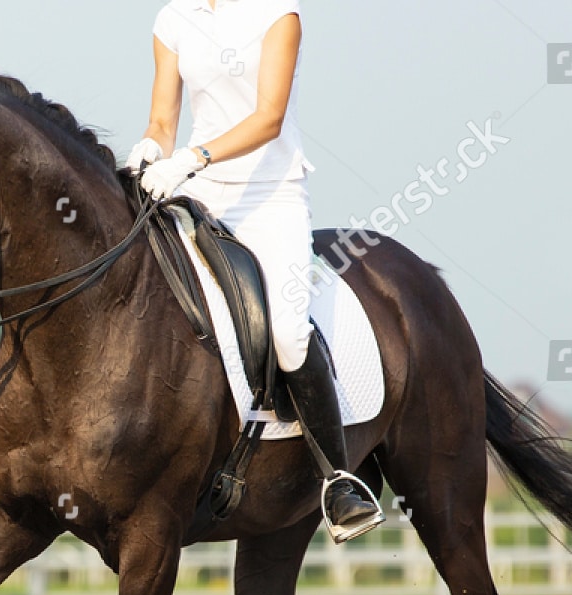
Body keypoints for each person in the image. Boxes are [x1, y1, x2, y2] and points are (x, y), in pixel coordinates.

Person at [130, 0, 385, 542]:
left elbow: (268, 118)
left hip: (271, 196)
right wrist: (151, 150)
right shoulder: (174, 18)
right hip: (200, 195)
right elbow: (162, 119)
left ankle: (339, 480)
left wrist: (193, 156)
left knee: (290, 334)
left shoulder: (277, 13)